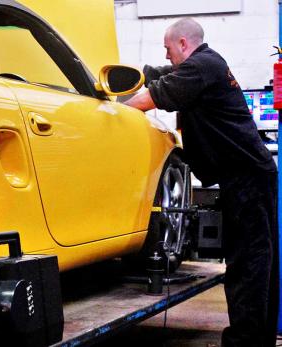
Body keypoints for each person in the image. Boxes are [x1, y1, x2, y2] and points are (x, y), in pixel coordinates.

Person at [125, 18, 279, 347]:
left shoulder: (201, 67)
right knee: (254, 260)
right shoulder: (206, 65)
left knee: (248, 263)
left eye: (168, 49)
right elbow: (161, 76)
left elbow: (154, 96)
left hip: (247, 180)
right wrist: (138, 73)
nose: (166, 56)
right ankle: (256, 338)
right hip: (248, 177)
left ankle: (245, 341)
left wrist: (112, 110)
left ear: (183, 43)